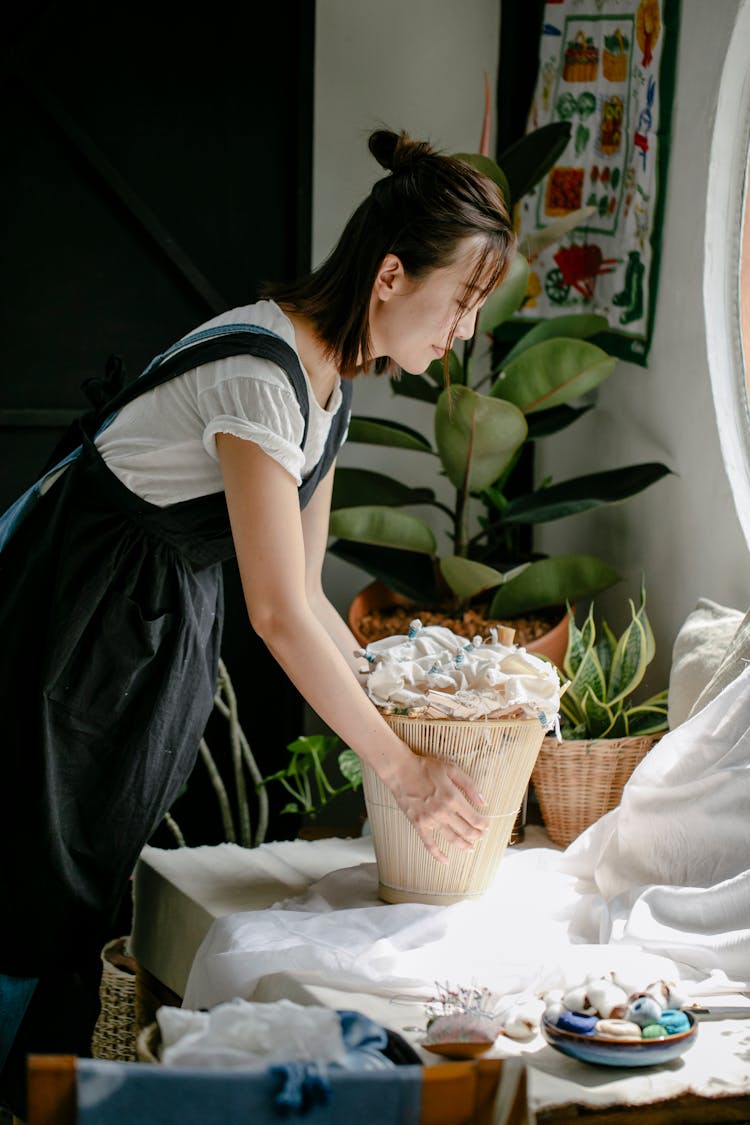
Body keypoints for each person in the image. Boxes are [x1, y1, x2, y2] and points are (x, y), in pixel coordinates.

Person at [0, 127, 515, 1114]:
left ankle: (39, 1092)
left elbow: (311, 589)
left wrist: (401, 704)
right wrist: (401, 772)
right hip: (83, 626)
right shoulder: (263, 373)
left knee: (85, 881)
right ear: (393, 276)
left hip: (153, 630)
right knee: (31, 882)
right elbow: (276, 615)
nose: (463, 332)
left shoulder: (329, 386)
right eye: (462, 301)